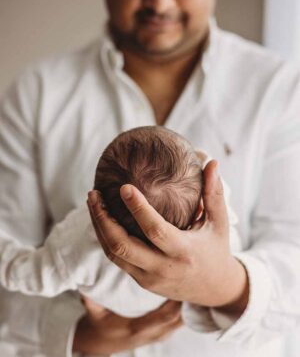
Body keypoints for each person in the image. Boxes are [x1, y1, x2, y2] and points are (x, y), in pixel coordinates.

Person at [0, 0, 300, 357]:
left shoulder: (280, 89)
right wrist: (81, 335)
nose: (159, 1)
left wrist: (223, 284)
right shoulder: (38, 92)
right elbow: (8, 265)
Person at [0, 125, 241, 316]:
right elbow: (216, 198)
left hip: (114, 308)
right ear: (200, 208)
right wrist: (201, 160)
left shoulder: (77, 245)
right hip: (174, 306)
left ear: (99, 199)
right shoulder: (212, 223)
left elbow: (25, 275)